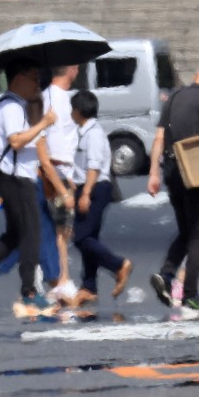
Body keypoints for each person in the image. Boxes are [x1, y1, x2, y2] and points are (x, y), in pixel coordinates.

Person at [0, 59, 58, 312]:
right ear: (18, 77)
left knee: (17, 235)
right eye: (33, 77)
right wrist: (44, 123)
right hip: (14, 177)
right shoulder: (10, 107)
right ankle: (29, 290)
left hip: (21, 176)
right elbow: (16, 141)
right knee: (31, 233)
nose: (37, 83)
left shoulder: (20, 106)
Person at [147, 61, 199, 318]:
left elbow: (159, 137)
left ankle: (167, 274)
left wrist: (153, 173)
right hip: (196, 172)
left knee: (186, 229)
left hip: (171, 171)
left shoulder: (174, 97)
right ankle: (190, 295)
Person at [68, 90, 132, 307]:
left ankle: (118, 265)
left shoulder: (94, 133)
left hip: (95, 188)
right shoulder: (83, 132)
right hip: (85, 186)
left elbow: (94, 166)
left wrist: (85, 193)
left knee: (80, 238)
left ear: (78, 111)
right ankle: (89, 286)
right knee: (90, 239)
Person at [39, 65, 80, 302]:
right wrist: (63, 183)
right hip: (57, 170)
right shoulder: (55, 99)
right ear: (71, 69)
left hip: (61, 169)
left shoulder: (56, 97)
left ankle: (59, 278)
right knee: (61, 230)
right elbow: (53, 142)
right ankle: (61, 280)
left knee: (63, 229)